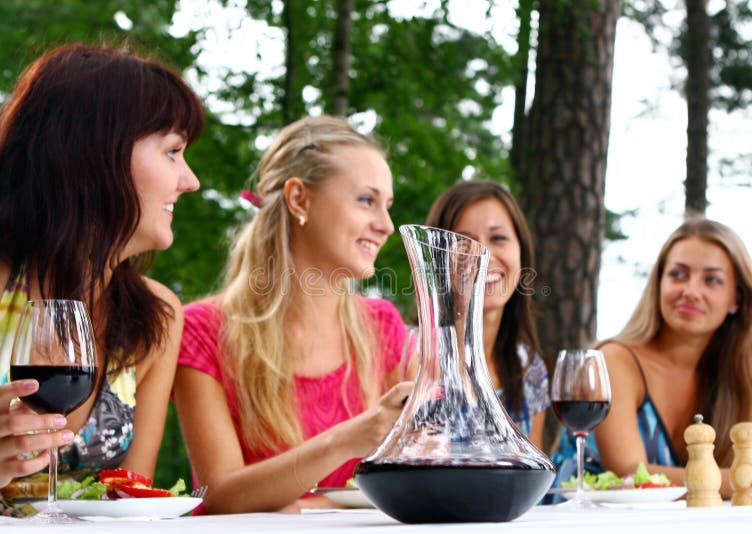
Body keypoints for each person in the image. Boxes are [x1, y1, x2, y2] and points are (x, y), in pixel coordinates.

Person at [173, 115, 413, 514]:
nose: (386, 225)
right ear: (299, 199)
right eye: (366, 200)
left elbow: (416, 474)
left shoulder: (382, 326)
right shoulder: (202, 330)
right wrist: (344, 441)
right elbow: (218, 497)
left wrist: (311, 507)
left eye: (387, 205)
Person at [0, 43, 205, 508]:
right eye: (172, 151)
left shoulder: (156, 317)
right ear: (94, 156)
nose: (189, 180)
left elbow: (126, 500)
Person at [552, 217, 752, 501]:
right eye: (678, 274)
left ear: (737, 300)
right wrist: (745, 480)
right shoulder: (616, 360)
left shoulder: (737, 382)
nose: (691, 291)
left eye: (712, 279)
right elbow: (629, 472)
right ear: (658, 284)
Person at [424, 180, 550, 449]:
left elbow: (535, 482)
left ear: (522, 252)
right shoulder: (408, 356)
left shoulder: (530, 369)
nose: (483, 255)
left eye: (498, 238)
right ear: (438, 258)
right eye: (463, 241)